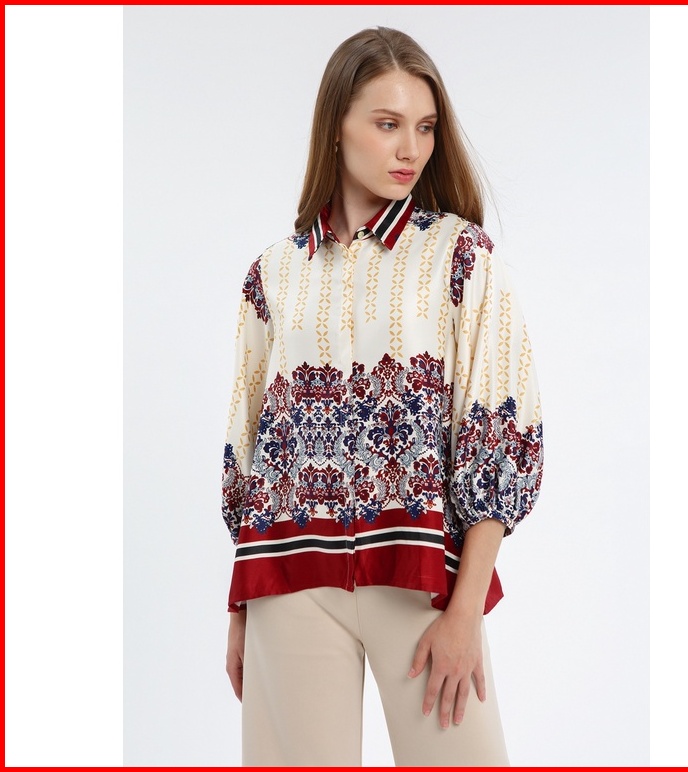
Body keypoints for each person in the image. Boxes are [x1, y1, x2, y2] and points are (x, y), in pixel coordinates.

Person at [221, 26, 544, 767]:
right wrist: (239, 607)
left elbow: (498, 432)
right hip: (289, 576)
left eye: (425, 128)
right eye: (388, 123)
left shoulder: (460, 256)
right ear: (336, 127)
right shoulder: (272, 274)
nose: (411, 149)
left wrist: (465, 614)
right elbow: (249, 445)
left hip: (420, 576)